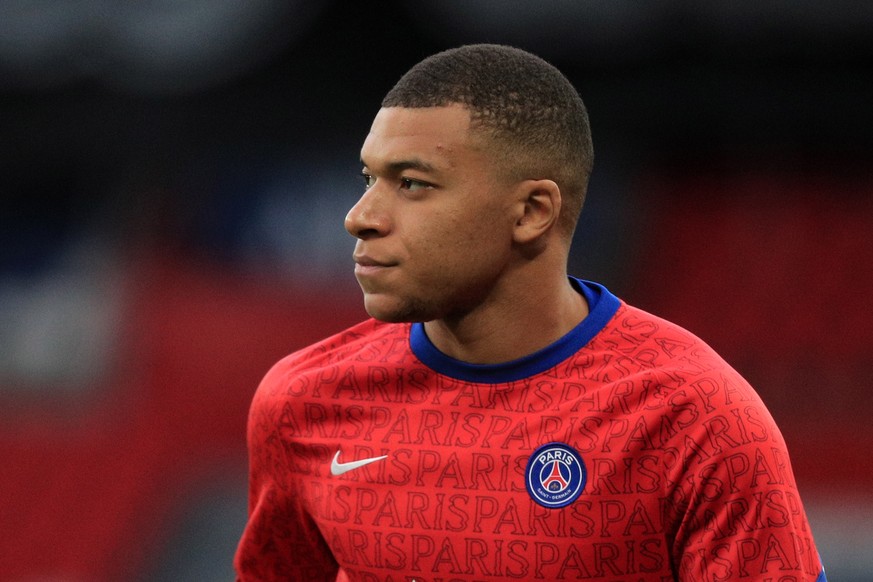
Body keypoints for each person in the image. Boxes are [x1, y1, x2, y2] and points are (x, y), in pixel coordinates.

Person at [234, 44, 827, 581]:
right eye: (369, 178)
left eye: (412, 184)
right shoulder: (304, 403)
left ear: (532, 212)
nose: (360, 216)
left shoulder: (692, 419)